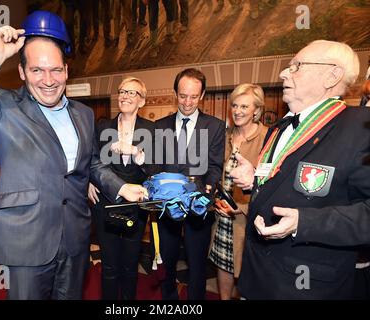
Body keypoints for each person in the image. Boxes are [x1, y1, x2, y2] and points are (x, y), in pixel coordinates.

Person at [0, 10, 147, 300]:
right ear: (22, 72)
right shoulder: (3, 106)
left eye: (56, 70)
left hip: (75, 237)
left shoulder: (84, 114)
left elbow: (92, 162)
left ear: (66, 71)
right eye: (37, 70)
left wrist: (121, 186)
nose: (48, 80)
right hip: (27, 239)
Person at [230, 40, 370, 299]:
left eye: (296, 66)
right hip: (257, 275)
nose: (284, 73)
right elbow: (280, 179)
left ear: (332, 75)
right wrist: (255, 180)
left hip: (305, 285)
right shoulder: (280, 127)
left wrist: (304, 222)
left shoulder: (362, 128)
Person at [154, 68, 225, 299]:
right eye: (183, 95)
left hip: (199, 208)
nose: (187, 102)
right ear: (176, 93)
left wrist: (208, 190)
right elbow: (156, 167)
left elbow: (215, 166)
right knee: (169, 260)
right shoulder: (160, 126)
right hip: (168, 206)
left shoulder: (214, 126)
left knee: (197, 265)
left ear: (202, 95)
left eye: (193, 96)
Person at [88, 77, 154, 299]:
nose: (125, 96)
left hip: (136, 206)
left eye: (132, 93)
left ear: (142, 101)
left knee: (129, 264)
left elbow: (155, 169)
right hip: (105, 202)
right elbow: (91, 159)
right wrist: (89, 181)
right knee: (109, 265)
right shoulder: (102, 126)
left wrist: (136, 152)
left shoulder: (151, 130)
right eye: (122, 91)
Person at [208, 84, 268, 300]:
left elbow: (270, 183)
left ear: (257, 110)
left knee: (248, 269)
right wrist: (216, 201)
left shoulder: (268, 137)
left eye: (244, 106)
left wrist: (239, 208)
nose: (238, 111)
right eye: (234, 105)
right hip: (222, 214)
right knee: (223, 264)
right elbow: (215, 172)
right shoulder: (225, 135)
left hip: (248, 218)